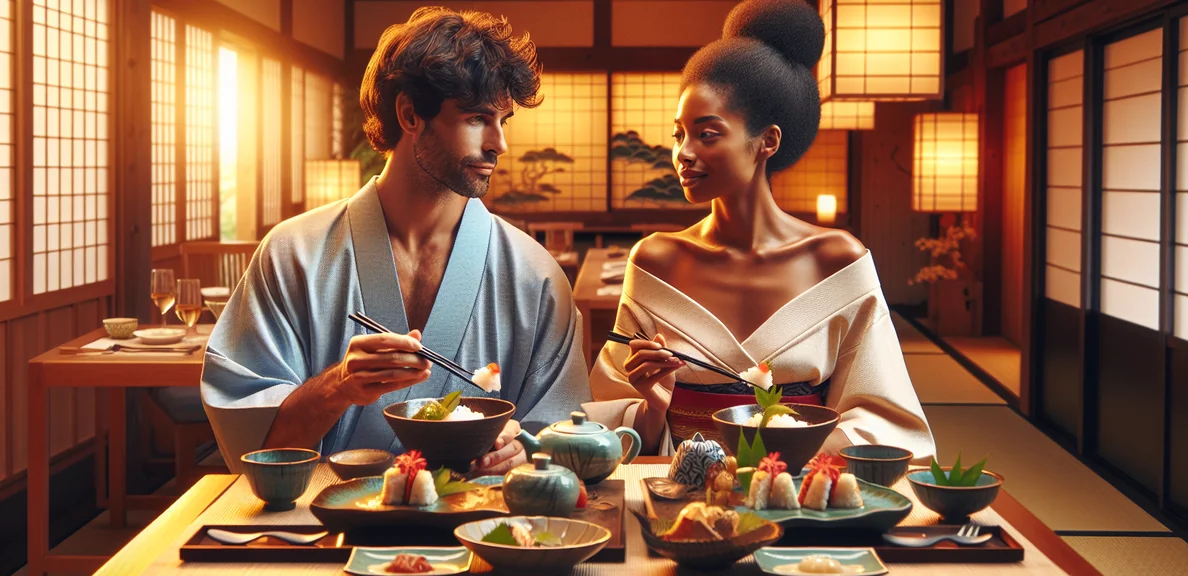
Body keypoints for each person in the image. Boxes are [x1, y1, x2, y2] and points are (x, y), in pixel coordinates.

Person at [201, 6, 590, 475]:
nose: (498, 143)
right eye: (476, 118)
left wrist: (524, 448)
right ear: (410, 114)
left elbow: (565, 441)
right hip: (324, 532)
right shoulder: (292, 256)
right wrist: (339, 386)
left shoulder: (536, 275)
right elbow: (255, 453)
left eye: (503, 120)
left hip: (480, 531)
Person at [584, 0, 935, 463]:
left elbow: (883, 419)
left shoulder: (836, 260)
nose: (683, 153)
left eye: (707, 134)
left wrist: (769, 459)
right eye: (678, 135)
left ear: (767, 140)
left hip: (797, 489)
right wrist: (653, 404)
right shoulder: (655, 260)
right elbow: (605, 425)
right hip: (679, 490)